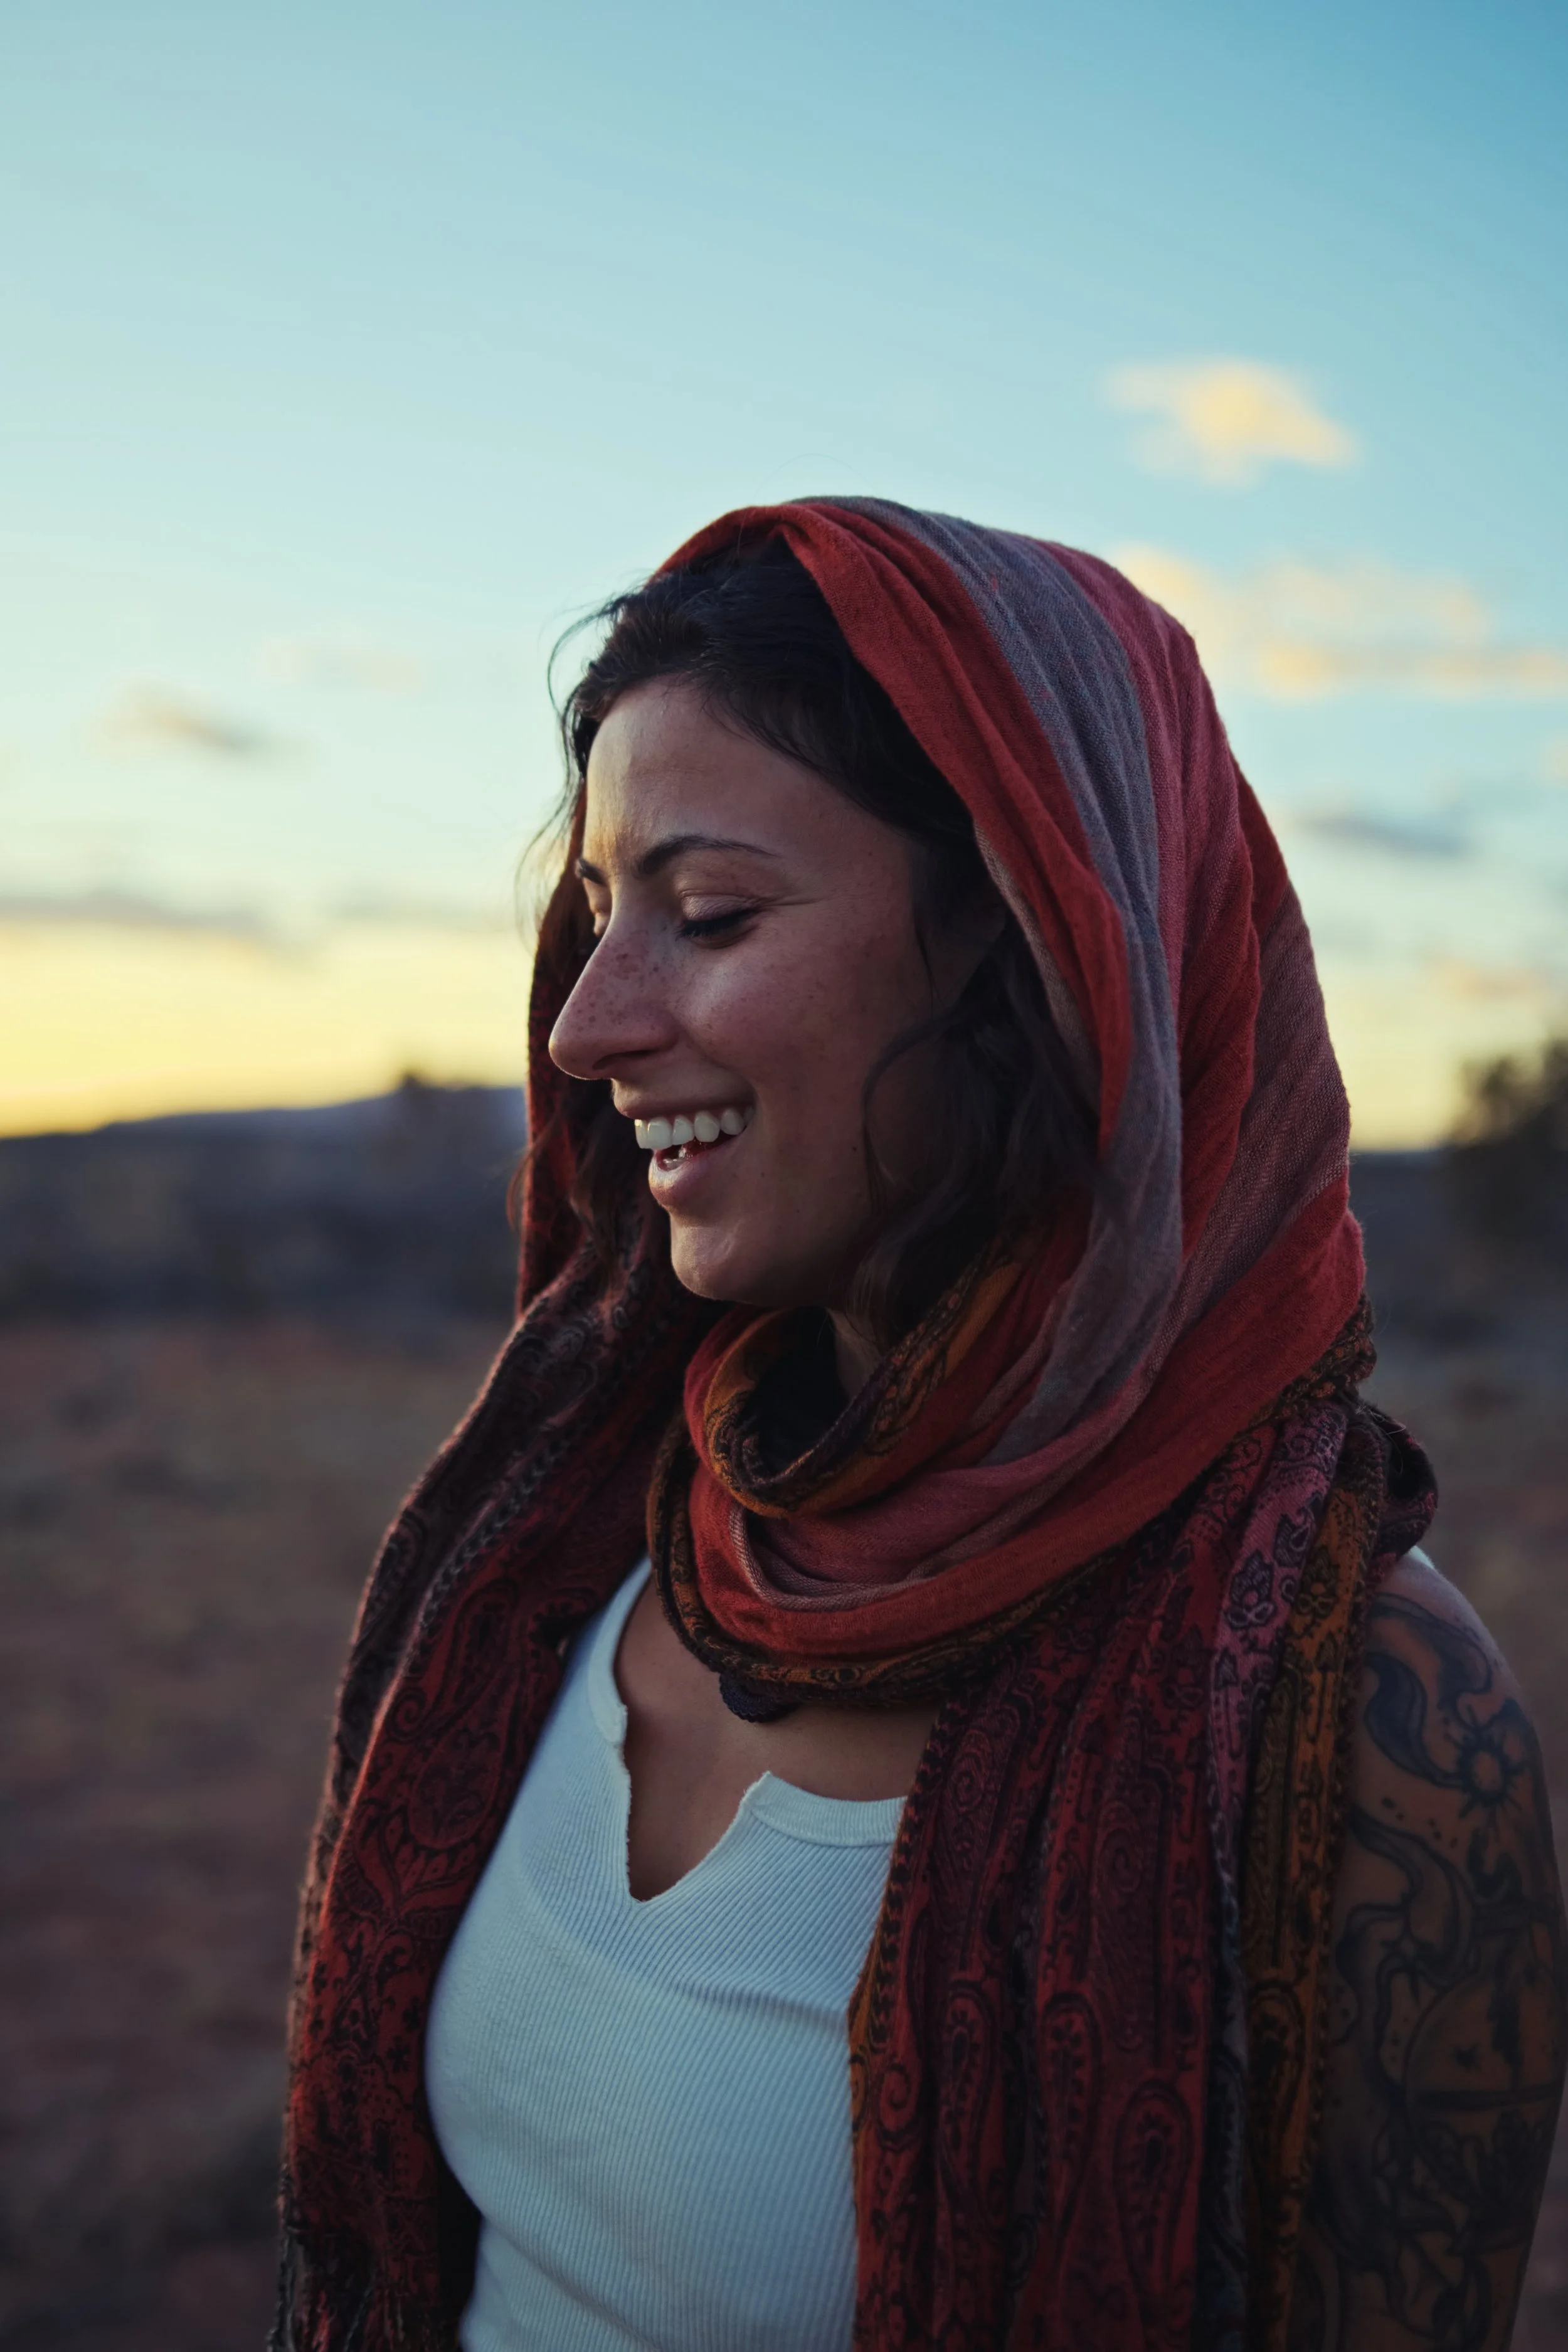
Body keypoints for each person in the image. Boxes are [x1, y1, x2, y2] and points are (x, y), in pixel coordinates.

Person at [273, 502, 1566, 2352]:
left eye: (708, 914)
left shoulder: (1363, 1727)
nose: (582, 1026)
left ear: (1027, 948)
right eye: (593, 918)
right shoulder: (581, 1531)